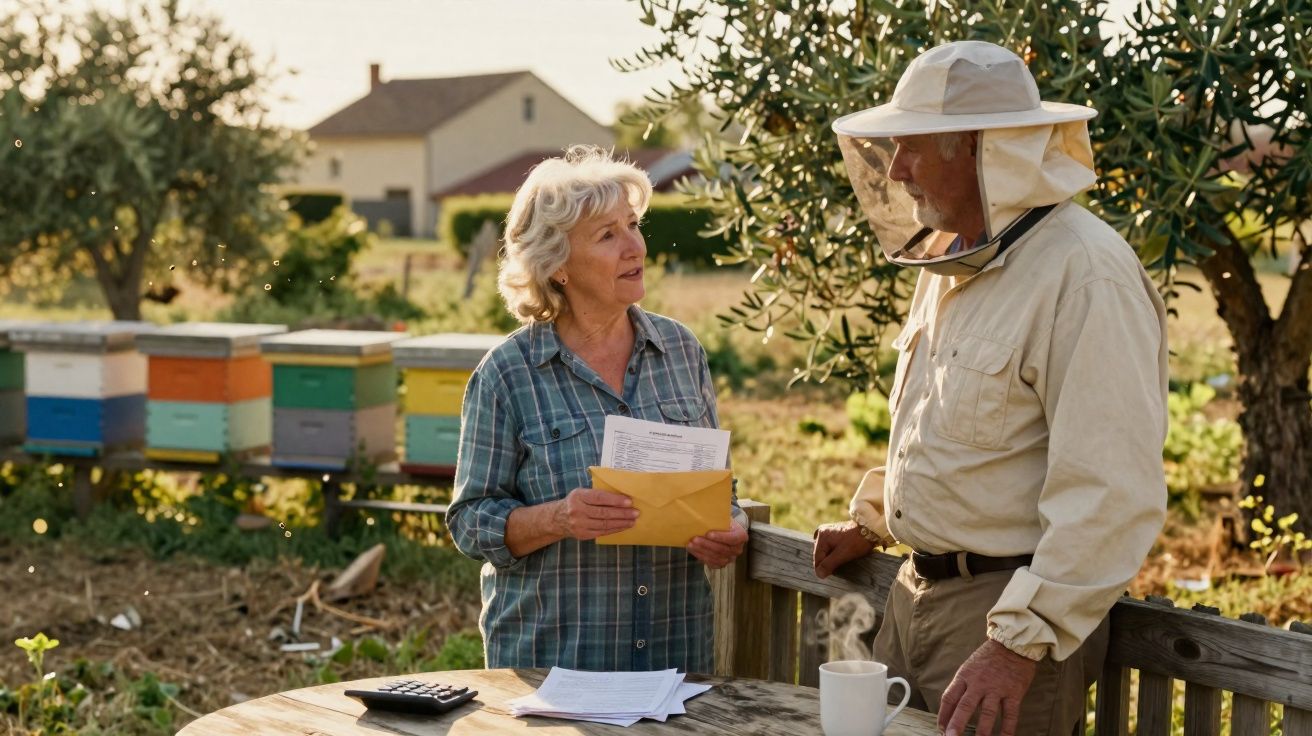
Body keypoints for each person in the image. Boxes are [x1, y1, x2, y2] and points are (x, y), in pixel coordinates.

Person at [811, 41, 1169, 736]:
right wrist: (876, 520)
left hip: (1005, 626)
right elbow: (952, 428)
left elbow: (1112, 490)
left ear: (984, 151)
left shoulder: (1085, 274)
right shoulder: (951, 259)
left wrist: (1015, 644)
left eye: (914, 148)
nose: (898, 170)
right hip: (916, 602)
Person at [446, 145, 750, 674]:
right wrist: (559, 517)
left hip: (673, 662)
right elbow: (470, 522)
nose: (635, 246)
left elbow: (723, 491)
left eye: (633, 225)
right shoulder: (507, 374)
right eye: (608, 235)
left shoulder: (681, 351)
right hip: (553, 668)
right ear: (557, 266)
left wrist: (731, 529)